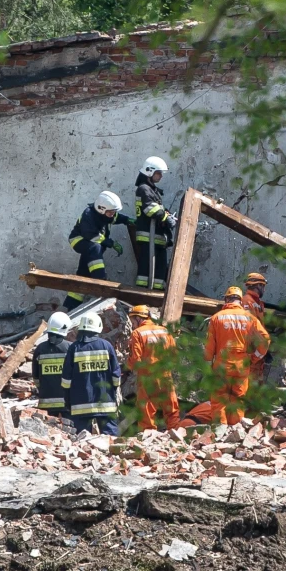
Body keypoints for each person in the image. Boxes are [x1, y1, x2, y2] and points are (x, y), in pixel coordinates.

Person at [204, 286, 270, 425]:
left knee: (219, 399)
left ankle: (219, 430)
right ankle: (235, 431)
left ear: (226, 299)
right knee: (238, 399)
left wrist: (207, 365)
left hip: (222, 366)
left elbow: (210, 345)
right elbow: (265, 339)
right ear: (240, 301)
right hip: (241, 366)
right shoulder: (249, 318)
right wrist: (255, 357)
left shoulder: (216, 318)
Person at [64, 191, 134, 309]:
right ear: (101, 209)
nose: (113, 215)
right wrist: (111, 243)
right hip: (79, 240)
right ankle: (100, 278)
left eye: (113, 212)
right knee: (94, 247)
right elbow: (91, 235)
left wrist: (127, 220)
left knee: (83, 274)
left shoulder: (107, 215)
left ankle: (70, 306)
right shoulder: (88, 214)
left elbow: (116, 218)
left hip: (91, 246)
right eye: (110, 212)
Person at [60, 312, 121, 435]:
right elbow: (116, 375)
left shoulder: (74, 348)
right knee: (110, 438)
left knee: (82, 440)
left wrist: (67, 399)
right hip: (105, 402)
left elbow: (66, 379)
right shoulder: (106, 346)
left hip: (80, 403)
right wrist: (113, 392)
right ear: (98, 327)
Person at [126, 305, 180, 431]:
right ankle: (175, 432)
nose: (132, 324)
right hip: (165, 375)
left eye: (133, 321)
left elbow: (136, 360)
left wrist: (127, 367)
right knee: (171, 406)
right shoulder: (165, 331)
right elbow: (174, 356)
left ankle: (148, 435)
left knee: (146, 410)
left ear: (138, 318)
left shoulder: (137, 333)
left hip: (147, 377)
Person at [133, 157, 177, 292]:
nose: (161, 176)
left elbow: (158, 209)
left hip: (156, 237)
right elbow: (150, 209)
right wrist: (165, 217)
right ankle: (141, 294)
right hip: (148, 236)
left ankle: (157, 294)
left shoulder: (152, 190)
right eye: (158, 173)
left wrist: (168, 215)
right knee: (146, 270)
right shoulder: (144, 189)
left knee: (160, 269)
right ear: (149, 172)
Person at [31, 311, 72, 417]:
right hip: (68, 401)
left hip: (46, 402)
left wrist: (43, 389)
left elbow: (36, 378)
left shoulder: (40, 349)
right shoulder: (71, 348)